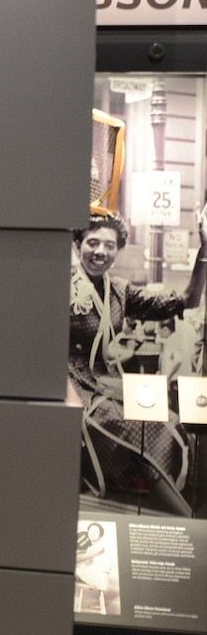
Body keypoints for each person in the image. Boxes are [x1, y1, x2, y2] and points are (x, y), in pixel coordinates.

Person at [70, 208, 207, 513]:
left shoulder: (118, 290)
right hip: (69, 389)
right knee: (129, 426)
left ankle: (160, 504)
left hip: (104, 385)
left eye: (109, 245)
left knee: (167, 421)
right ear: (78, 245)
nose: (100, 252)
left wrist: (204, 250)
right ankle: (184, 516)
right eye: (93, 243)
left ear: (118, 251)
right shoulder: (61, 285)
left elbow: (187, 301)